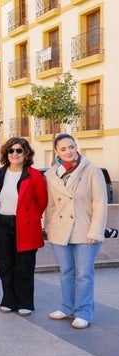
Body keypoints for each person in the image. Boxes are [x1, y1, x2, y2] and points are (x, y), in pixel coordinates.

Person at [0, 137, 47, 316]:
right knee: (5, 264)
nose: (15, 154)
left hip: (25, 224)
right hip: (0, 223)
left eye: (19, 150)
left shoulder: (35, 176)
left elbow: (42, 202)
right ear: (6, 154)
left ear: (26, 154)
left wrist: (29, 217)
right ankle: (8, 299)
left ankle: (25, 302)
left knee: (24, 265)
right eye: (11, 151)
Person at [45, 133, 107, 329]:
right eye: (63, 149)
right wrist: (47, 227)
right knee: (66, 272)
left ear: (76, 146)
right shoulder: (50, 174)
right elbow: (50, 206)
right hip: (60, 231)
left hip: (84, 230)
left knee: (83, 274)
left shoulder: (92, 170)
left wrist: (95, 231)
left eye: (71, 147)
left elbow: (100, 204)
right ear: (56, 151)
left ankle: (83, 312)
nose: (68, 151)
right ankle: (67, 307)